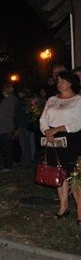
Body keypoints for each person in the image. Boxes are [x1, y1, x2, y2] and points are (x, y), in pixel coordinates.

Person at [39, 71, 81, 226]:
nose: (59, 83)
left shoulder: (78, 100)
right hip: (52, 139)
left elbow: (78, 123)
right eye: (58, 80)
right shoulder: (51, 100)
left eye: (62, 80)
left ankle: (80, 211)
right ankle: (63, 206)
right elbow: (43, 118)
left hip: (72, 139)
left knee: (75, 176)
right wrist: (46, 131)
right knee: (59, 174)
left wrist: (57, 129)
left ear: (71, 83)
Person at [0, 84, 18, 172]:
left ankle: (8, 166)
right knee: (11, 145)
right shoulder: (14, 99)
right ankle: (13, 161)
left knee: (6, 146)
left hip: (5, 126)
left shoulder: (6, 101)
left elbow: (0, 114)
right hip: (10, 125)